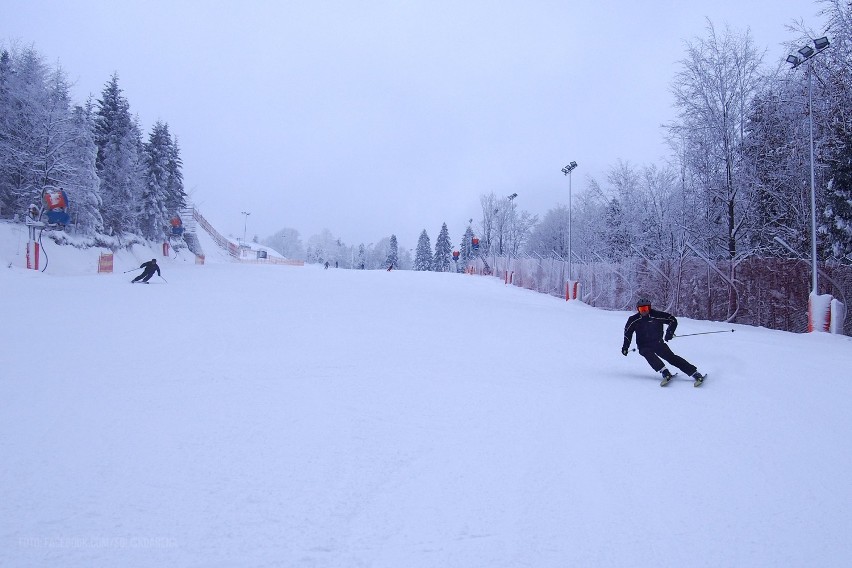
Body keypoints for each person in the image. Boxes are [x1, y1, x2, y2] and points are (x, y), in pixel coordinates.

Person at [621, 297, 705, 385]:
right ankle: (664, 371)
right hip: (643, 345)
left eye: (645, 308)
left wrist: (669, 333)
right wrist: (625, 347)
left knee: (671, 358)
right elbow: (628, 333)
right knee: (646, 353)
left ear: (649, 308)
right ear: (638, 309)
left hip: (658, 343)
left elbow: (672, 320)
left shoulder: (657, 315)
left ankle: (694, 373)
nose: (644, 311)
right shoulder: (634, 319)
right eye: (641, 309)